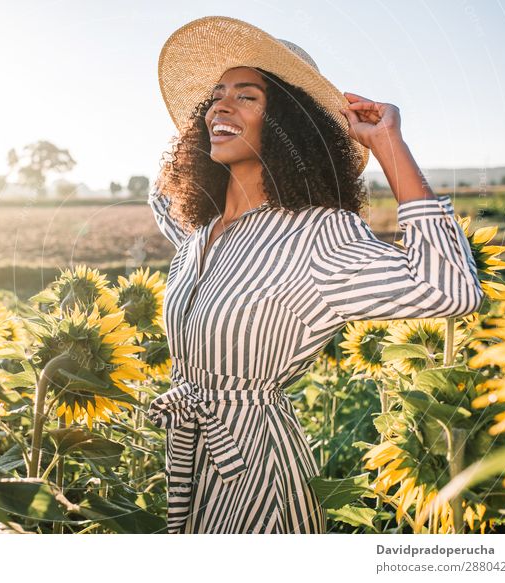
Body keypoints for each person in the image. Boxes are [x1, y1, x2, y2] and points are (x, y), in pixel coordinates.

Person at [145, 15, 483, 534]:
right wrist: (191, 157)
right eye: (214, 95)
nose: (220, 104)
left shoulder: (318, 236)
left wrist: (387, 144)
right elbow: (161, 195)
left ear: (291, 124)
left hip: (254, 471)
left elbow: (451, 288)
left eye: (248, 96)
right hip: (188, 463)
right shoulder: (200, 234)